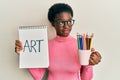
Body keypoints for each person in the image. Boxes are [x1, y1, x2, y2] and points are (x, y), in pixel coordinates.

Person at [15, 3, 102, 80]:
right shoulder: (46, 46)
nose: (66, 26)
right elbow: (38, 76)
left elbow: (86, 78)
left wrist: (90, 64)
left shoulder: (81, 45)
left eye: (69, 21)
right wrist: (24, 54)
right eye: (61, 22)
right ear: (53, 23)